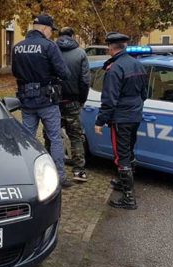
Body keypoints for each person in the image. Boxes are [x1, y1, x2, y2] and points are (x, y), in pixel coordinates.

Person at [12, 14, 72, 188]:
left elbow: (15, 71)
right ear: (45, 28)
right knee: (55, 138)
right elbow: (64, 73)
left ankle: (28, 176)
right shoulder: (49, 46)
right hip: (47, 101)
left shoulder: (18, 47)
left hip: (26, 102)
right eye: (51, 30)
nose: (51, 34)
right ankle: (59, 176)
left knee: (28, 139)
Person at [94, 32, 148, 209]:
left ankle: (129, 198)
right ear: (124, 46)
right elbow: (144, 94)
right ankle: (123, 183)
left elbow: (109, 100)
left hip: (121, 119)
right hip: (135, 116)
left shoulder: (115, 69)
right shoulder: (138, 65)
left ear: (111, 48)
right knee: (129, 150)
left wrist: (100, 122)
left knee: (121, 155)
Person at [44, 27, 90, 182]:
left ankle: (51, 170)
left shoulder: (50, 50)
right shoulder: (80, 53)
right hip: (72, 101)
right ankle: (79, 171)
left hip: (53, 102)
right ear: (73, 35)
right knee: (75, 136)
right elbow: (85, 81)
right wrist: (81, 99)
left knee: (51, 136)